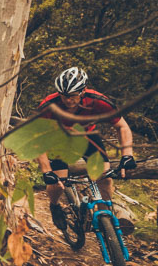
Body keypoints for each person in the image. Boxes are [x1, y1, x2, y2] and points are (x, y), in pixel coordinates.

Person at [37, 66, 136, 233]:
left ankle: (104, 213)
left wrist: (127, 155)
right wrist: (47, 171)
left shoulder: (98, 100)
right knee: (58, 183)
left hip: (88, 137)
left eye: (73, 96)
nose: (68, 100)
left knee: (104, 176)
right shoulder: (48, 105)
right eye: (64, 96)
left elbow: (122, 126)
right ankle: (54, 206)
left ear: (82, 91)